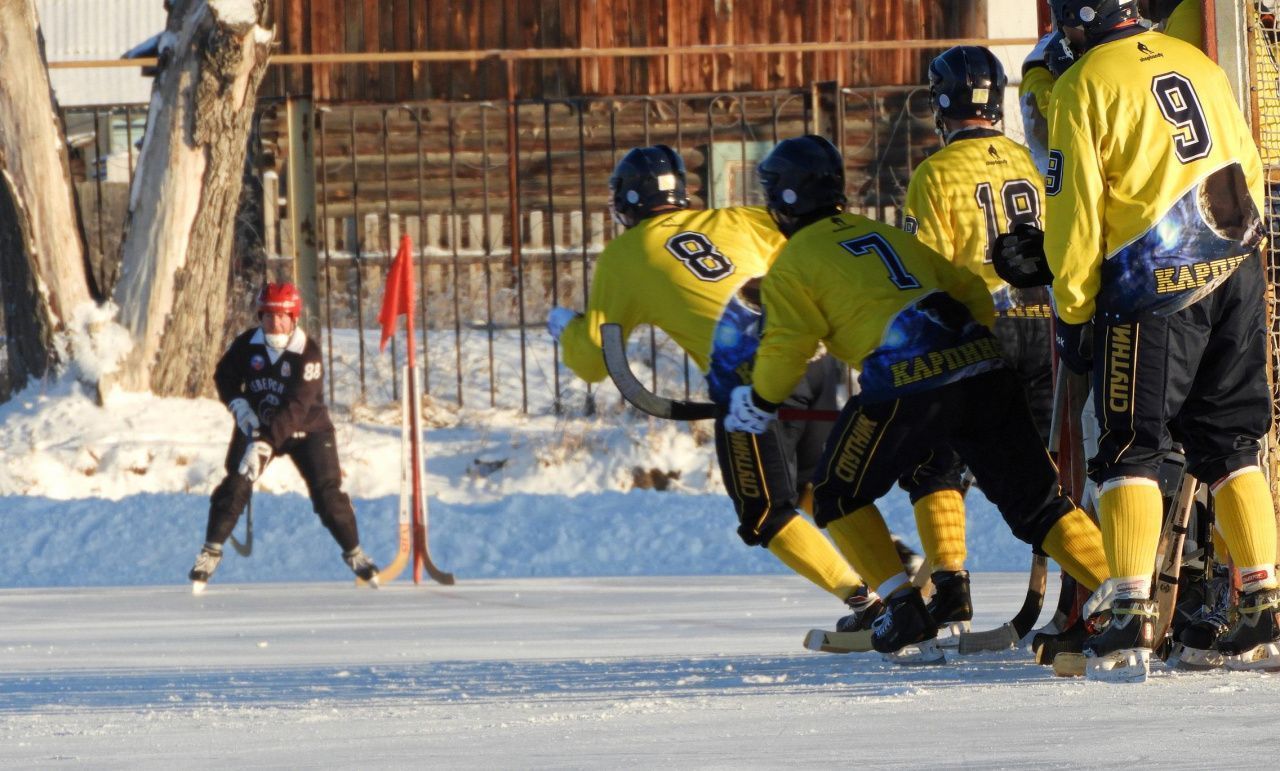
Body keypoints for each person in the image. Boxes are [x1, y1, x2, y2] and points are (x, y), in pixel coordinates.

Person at [725, 134, 1110, 664]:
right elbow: (971, 290)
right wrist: (966, 352)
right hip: (985, 367)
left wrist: (760, 399)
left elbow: (789, 345)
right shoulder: (882, 234)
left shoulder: (794, 263)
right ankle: (1120, 598)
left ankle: (903, 608)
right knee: (1039, 502)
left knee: (838, 492)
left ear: (785, 200)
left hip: (907, 383)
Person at [547, 144, 904, 632]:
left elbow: (593, 361)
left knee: (766, 514)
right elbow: (807, 251)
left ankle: (871, 607)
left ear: (627, 201)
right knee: (819, 492)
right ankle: (898, 566)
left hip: (750, 386)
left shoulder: (624, 256)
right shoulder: (736, 219)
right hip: (812, 360)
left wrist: (565, 326)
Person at [1029, 0, 1274, 678]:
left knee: (1132, 443)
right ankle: (1261, 597)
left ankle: (1130, 611)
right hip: (1237, 265)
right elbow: (1247, 162)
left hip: (1154, 279)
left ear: (1082, 17)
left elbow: (1075, 212)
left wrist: (1074, 307)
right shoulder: (1197, 61)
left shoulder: (1083, 82)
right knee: (1231, 439)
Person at [895, 45, 1054, 642]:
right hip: (1048, 327)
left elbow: (927, 273)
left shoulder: (935, 174)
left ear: (941, 104)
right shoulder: (1028, 157)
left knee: (934, 461)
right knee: (1048, 469)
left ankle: (952, 587)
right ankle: (1081, 590)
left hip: (983, 332)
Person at [187, 282, 379, 591]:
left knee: (327, 494)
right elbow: (224, 377)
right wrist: (239, 406)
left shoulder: (308, 353)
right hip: (258, 424)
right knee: (236, 482)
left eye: (283, 317)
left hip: (308, 430)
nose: (275, 324)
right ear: (260, 317)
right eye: (269, 317)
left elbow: (295, 408)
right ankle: (211, 551)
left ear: (294, 318)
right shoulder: (247, 344)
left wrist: (261, 446)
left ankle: (355, 553)